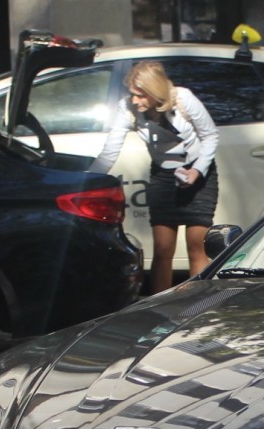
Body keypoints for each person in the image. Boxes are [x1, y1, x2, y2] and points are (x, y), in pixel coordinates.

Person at [92, 61, 220, 294]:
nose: (135, 100)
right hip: (162, 177)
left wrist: (197, 170)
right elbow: (110, 150)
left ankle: (196, 306)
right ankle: (160, 308)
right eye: (133, 94)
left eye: (140, 95)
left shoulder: (183, 99)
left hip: (199, 177)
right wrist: (89, 179)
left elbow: (210, 135)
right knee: (162, 249)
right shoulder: (127, 109)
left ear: (155, 91)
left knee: (196, 248)